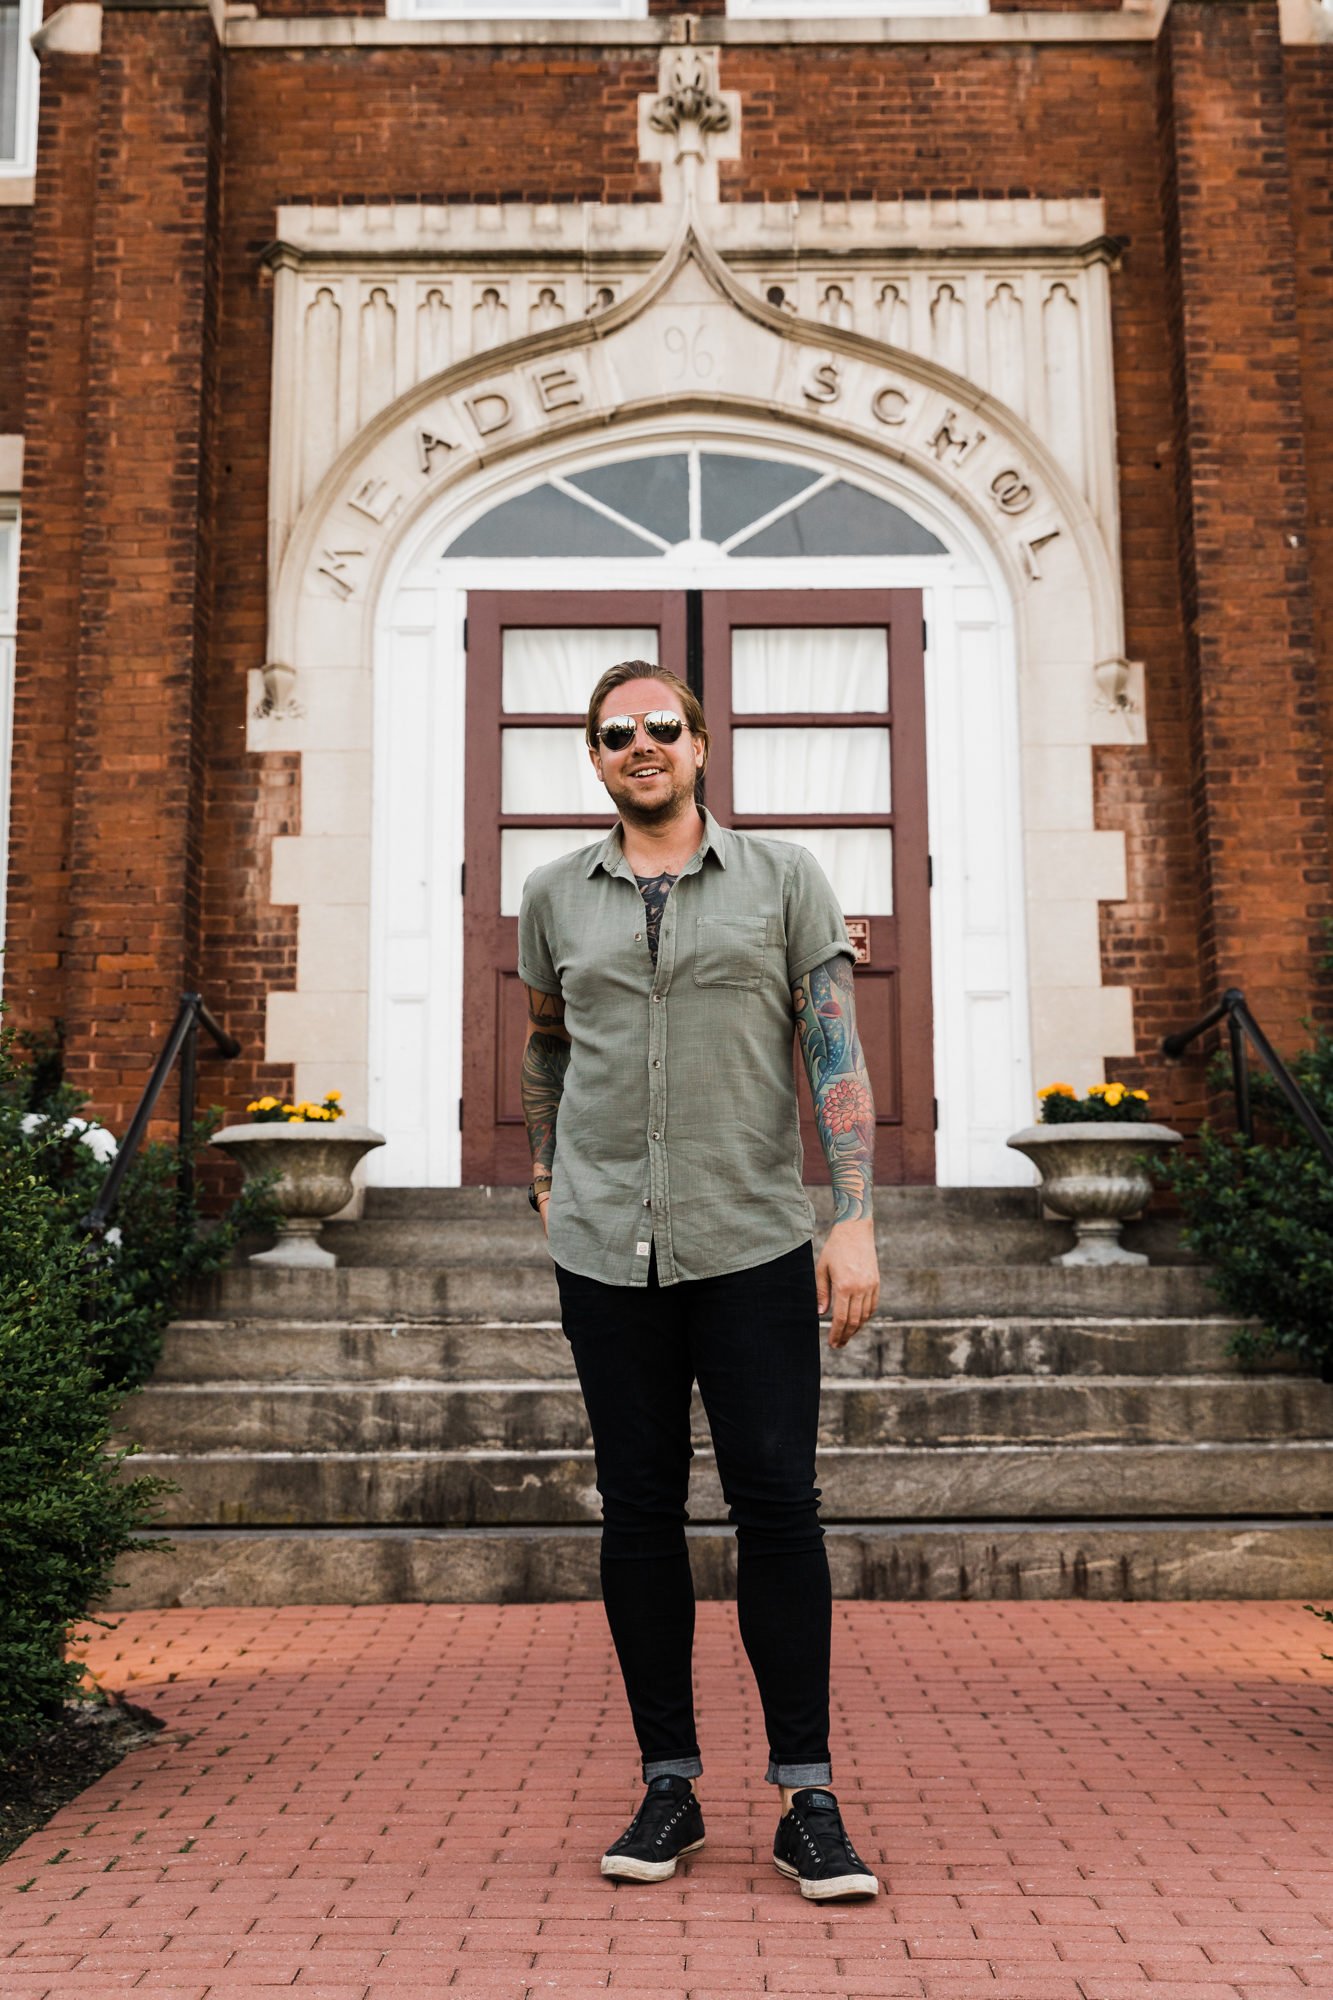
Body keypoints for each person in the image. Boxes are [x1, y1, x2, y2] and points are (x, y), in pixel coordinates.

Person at [517, 659, 881, 1902]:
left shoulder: (782, 877)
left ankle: (807, 1797)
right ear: (596, 758)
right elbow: (546, 1040)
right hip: (606, 1247)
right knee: (638, 1513)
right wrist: (546, 1171)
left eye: (660, 725)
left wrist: (854, 1218)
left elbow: (832, 1042)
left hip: (750, 1236)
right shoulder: (555, 893)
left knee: (778, 1504)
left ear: (701, 742)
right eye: (615, 733)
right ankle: (667, 1783)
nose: (640, 745)